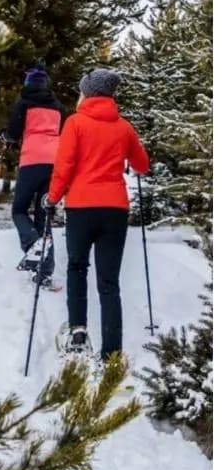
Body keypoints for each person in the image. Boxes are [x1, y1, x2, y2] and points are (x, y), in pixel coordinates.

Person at [47, 69, 149, 362]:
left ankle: (78, 333)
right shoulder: (124, 127)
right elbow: (142, 165)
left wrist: (52, 198)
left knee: (77, 268)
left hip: (80, 207)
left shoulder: (75, 123)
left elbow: (64, 166)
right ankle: (112, 353)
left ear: (88, 93)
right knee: (109, 282)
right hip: (115, 210)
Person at [2, 64, 63, 282]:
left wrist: (7, 138)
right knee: (43, 215)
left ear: (28, 82)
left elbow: (13, 132)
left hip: (32, 160)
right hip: (54, 162)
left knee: (18, 209)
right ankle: (44, 271)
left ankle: (33, 244)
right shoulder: (57, 106)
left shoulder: (24, 103)